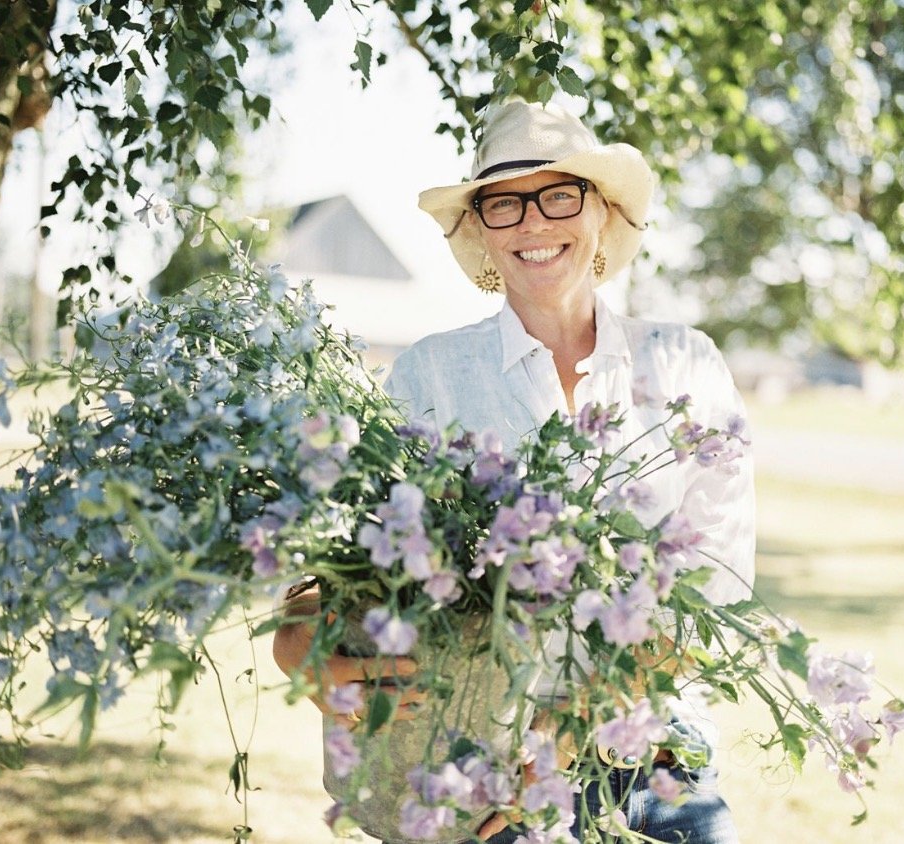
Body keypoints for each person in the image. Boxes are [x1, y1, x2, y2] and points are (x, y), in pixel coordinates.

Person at [274, 99, 755, 843]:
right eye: (504, 203)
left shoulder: (685, 365)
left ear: (600, 212)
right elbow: (349, 567)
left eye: (559, 193)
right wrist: (299, 647)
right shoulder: (431, 376)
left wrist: (569, 733)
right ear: (481, 232)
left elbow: (715, 593)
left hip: (657, 758)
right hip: (490, 773)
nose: (534, 222)